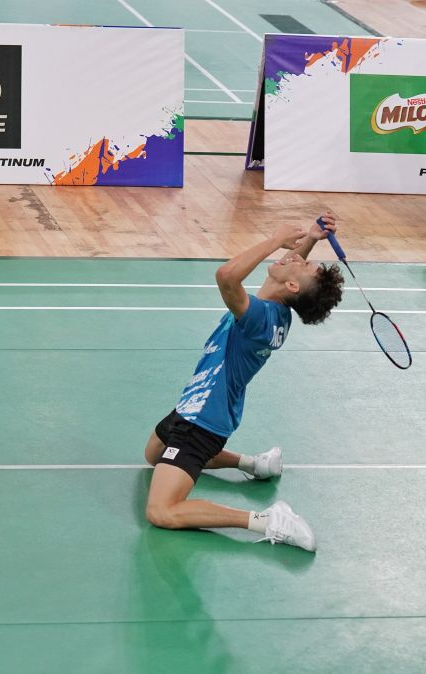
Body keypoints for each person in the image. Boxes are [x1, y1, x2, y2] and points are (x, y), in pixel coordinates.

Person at [142, 213, 345, 551]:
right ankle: (254, 464)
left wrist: (274, 241)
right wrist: (309, 238)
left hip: (202, 423)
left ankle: (268, 521)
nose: (295, 257)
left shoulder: (259, 319)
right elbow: (284, 281)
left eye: (303, 264)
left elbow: (226, 277)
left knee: (161, 510)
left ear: (293, 286)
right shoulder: (275, 310)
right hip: (198, 404)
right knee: (154, 454)